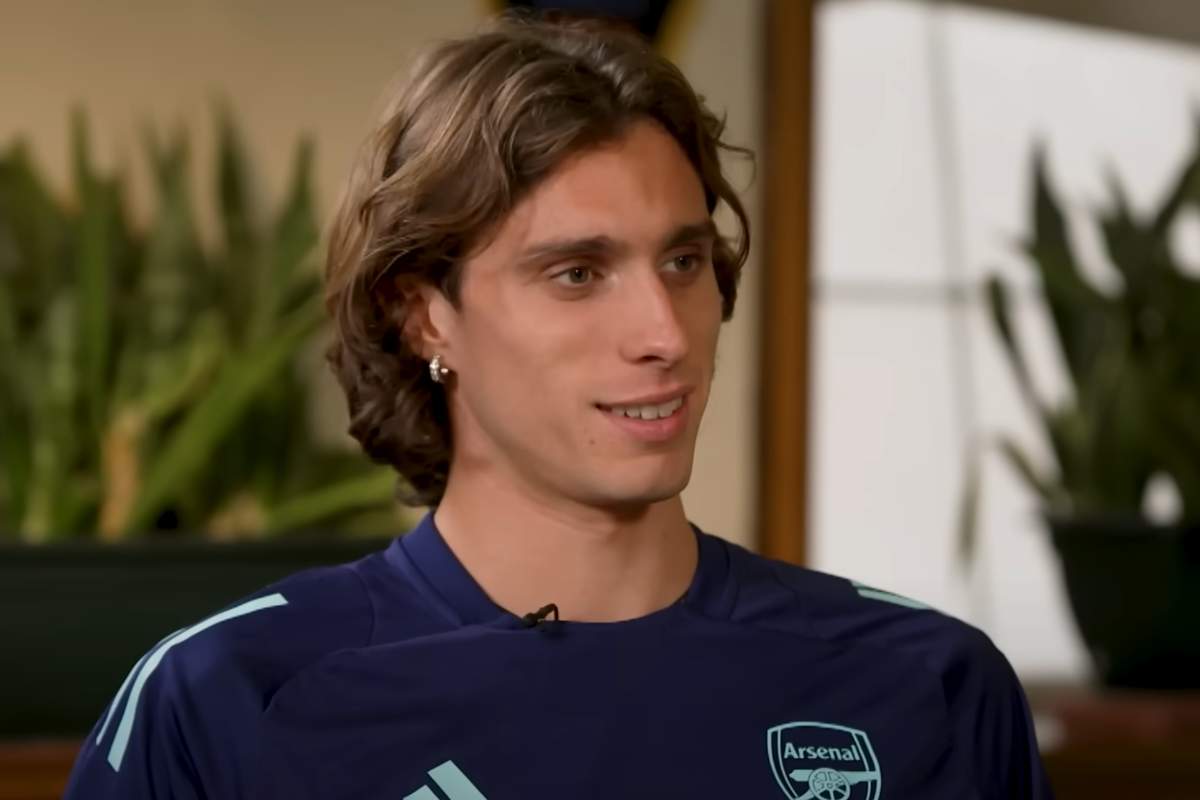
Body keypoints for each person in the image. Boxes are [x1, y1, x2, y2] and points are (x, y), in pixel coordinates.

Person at [64, 14, 1053, 800]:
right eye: (577, 273)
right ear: (424, 314)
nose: (663, 331)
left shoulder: (927, 686)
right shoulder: (229, 699)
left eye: (684, 260)